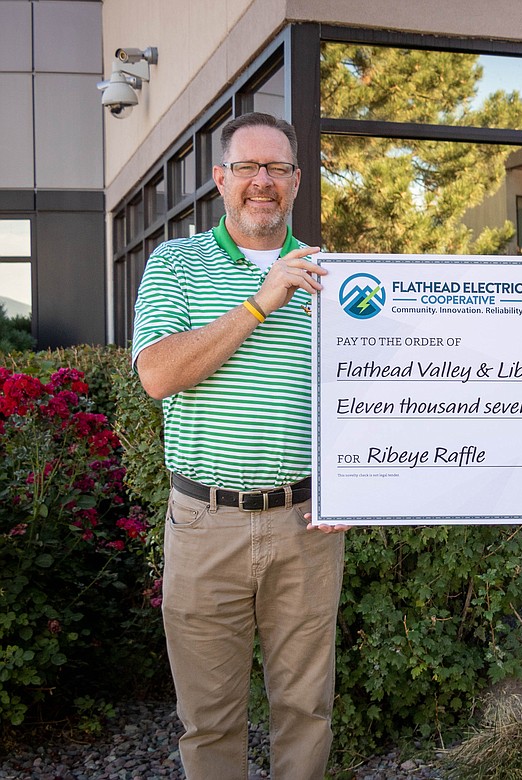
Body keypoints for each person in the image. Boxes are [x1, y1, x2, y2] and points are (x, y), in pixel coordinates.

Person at [132, 112, 347, 779]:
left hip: (306, 524)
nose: (263, 181)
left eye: (277, 168)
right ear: (221, 180)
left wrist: (356, 481)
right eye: (249, 168)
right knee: (210, 717)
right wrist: (262, 300)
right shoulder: (177, 263)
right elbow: (159, 374)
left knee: (306, 709)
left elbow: (364, 399)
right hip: (205, 523)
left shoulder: (336, 275)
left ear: (296, 181)